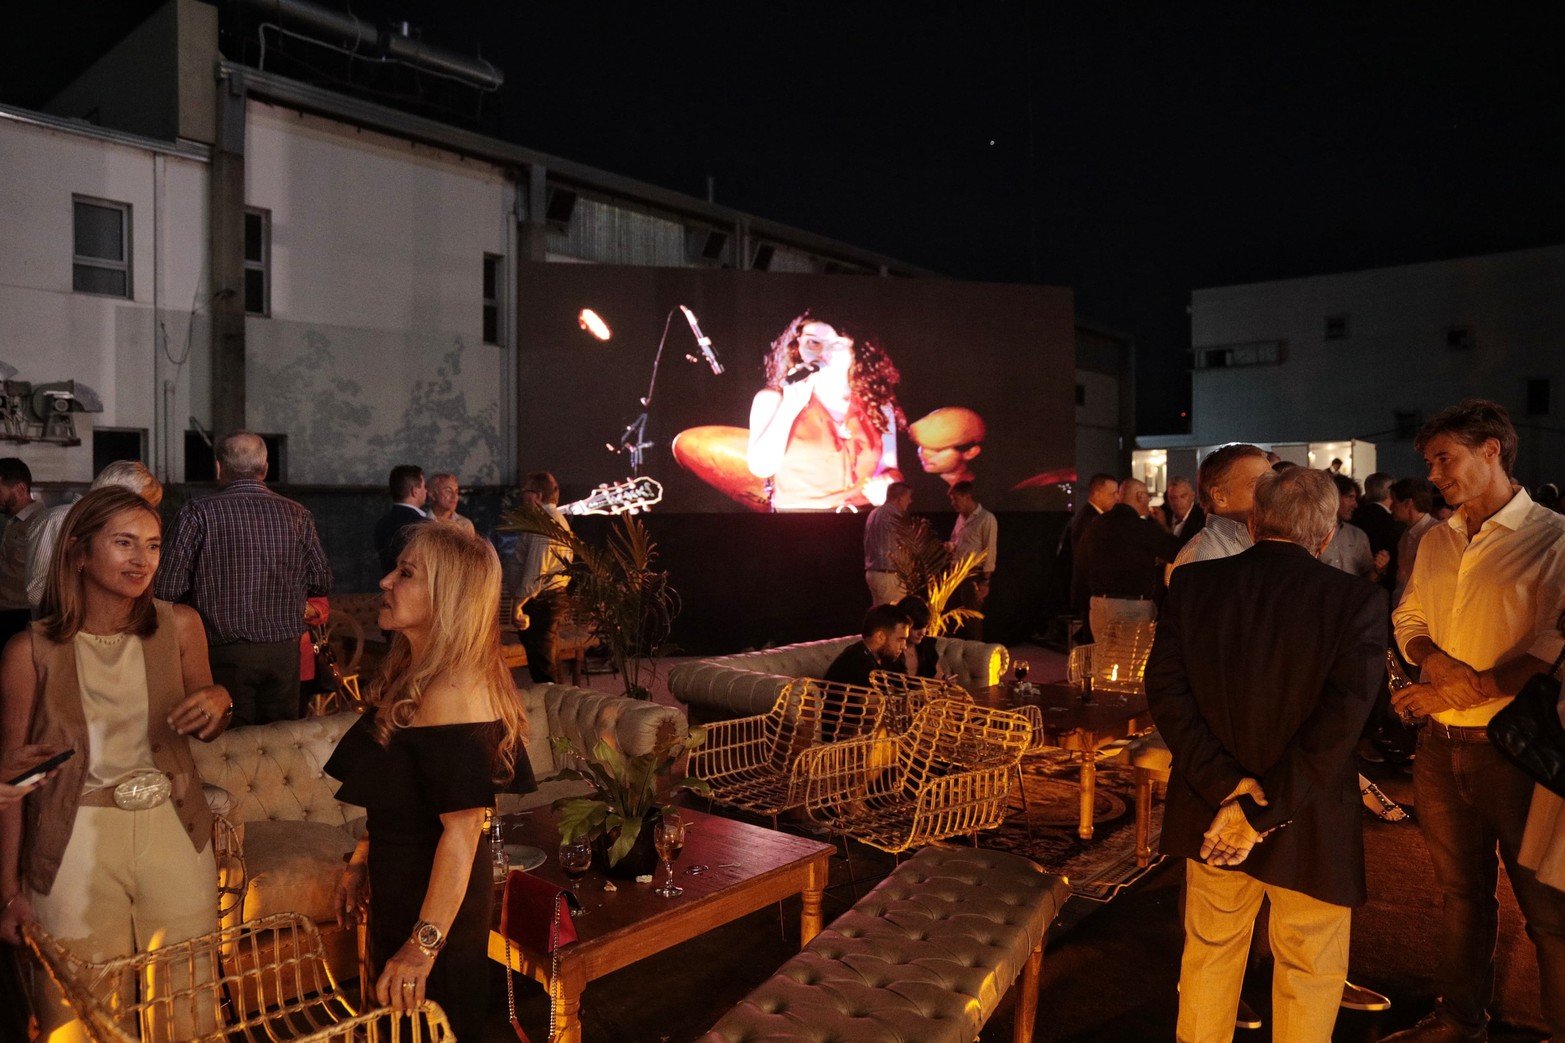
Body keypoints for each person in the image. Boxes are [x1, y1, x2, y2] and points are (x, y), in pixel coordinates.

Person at [1147, 467, 1386, 1043]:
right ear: (1327, 533)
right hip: (1307, 814)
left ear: (1254, 522)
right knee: (1310, 964)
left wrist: (1230, 791)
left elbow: (1167, 695)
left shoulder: (1196, 586)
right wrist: (1262, 807)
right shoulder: (1356, 600)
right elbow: (1343, 725)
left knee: (1210, 953)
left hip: (1213, 810)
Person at [1, 487, 235, 1039]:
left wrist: (220, 701)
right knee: (81, 1008)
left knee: (187, 1004)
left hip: (174, 831)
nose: (142, 559)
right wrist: (7, 890)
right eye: (124, 543)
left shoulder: (179, 625)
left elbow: (209, 708)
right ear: (79, 552)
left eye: (153, 546)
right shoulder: (28, 651)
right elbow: (11, 780)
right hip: (74, 841)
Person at [1386, 399, 1565, 1043]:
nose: (1434, 473)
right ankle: (1459, 1019)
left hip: (1517, 753)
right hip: (1440, 750)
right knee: (1461, 896)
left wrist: (1456, 694)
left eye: (1445, 458)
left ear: (1491, 451)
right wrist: (1431, 657)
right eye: (1431, 461)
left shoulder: (1553, 539)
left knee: (1548, 911)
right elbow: (1408, 618)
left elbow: (1552, 653)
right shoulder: (1437, 537)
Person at [326, 523, 532, 1041]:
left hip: (436, 905)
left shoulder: (455, 691)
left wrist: (423, 945)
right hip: (401, 887)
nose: (385, 580)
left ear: (448, 596)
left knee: (433, 1027)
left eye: (407, 573)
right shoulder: (415, 676)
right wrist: (362, 859)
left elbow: (463, 835)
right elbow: (398, 789)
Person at [156, 433, 332, 728]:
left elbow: (167, 588)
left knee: (230, 749)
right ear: (264, 468)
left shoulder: (198, 513)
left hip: (223, 652)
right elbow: (322, 581)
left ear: (218, 468)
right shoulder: (297, 514)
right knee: (280, 747)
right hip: (284, 653)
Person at [745, 311, 905, 511]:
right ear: (798, 346)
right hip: (800, 523)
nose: (823, 352)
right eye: (813, 342)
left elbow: (891, 470)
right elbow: (761, 467)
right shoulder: (772, 400)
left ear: (855, 349)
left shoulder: (879, 406)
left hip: (865, 521)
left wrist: (888, 483)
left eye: (836, 344)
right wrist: (790, 407)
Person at [26, 461, 163, 611]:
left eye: (153, 546)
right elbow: (36, 592)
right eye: (135, 504)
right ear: (110, 493)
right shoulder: (59, 519)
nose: (143, 515)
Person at [1072, 478, 1181, 642]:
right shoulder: (1142, 528)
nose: (1149, 500)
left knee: (1104, 661)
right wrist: (1163, 526)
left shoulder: (1096, 524)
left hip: (1099, 605)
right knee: (1130, 663)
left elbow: (1081, 563)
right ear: (1139, 496)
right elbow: (1176, 552)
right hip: (1133, 607)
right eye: (1147, 495)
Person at [1167, 444, 1272, 583]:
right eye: (1256, 485)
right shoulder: (1204, 556)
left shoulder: (1260, 541)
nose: (1271, 492)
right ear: (1219, 496)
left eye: (1271, 483)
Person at [507, 471, 573, 685]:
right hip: (546, 599)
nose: (521, 497)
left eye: (524, 492)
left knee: (543, 667)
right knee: (545, 661)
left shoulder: (544, 524)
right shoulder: (552, 520)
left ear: (536, 495)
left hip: (542, 601)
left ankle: (551, 712)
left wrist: (518, 604)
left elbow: (536, 571)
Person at [947, 481, 997, 642]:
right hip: (955, 574)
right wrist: (951, 546)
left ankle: (976, 655)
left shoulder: (986, 518)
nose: (952, 504)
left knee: (972, 619)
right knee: (957, 618)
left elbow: (990, 550)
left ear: (967, 497)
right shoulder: (961, 518)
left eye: (955, 499)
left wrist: (985, 581)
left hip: (973, 574)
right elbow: (957, 541)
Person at [0, 458, 41, 643]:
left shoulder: (40, 522)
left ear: (21, 489)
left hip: (22, 614)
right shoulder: (12, 521)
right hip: (7, 611)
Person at [824, 603, 911, 690]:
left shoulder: (889, 657)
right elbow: (872, 701)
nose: (904, 647)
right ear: (880, 636)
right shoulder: (854, 662)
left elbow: (906, 688)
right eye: (900, 639)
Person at [1319, 473, 1384, 582]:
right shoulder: (1310, 534)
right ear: (1333, 497)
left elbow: (1368, 579)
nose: (1355, 505)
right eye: (1350, 497)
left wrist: (1378, 569)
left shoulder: (1358, 536)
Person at [1352, 472, 1405, 592]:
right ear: (1390, 492)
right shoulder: (1393, 522)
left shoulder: (1354, 516)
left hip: (1354, 585)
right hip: (1383, 587)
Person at [1389, 477, 1439, 605]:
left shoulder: (1436, 534)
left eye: (1394, 501)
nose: (1390, 507)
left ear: (1408, 503)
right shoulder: (1406, 535)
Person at [373, 465, 430, 574]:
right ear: (415, 491)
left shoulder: (382, 523)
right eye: (424, 487)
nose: (426, 491)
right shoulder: (423, 525)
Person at [908, 407, 986, 487]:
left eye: (937, 450)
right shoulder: (914, 484)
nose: (924, 453)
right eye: (921, 445)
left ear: (970, 453)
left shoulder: (986, 486)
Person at [863, 481, 912, 604]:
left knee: (881, 615)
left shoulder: (874, 513)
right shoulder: (894, 515)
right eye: (908, 498)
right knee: (894, 617)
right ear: (900, 499)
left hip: (875, 573)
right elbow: (903, 545)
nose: (910, 501)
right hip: (888, 576)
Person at [894, 595, 940, 678]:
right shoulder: (891, 648)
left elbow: (939, 678)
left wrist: (946, 682)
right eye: (917, 627)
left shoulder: (927, 645)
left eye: (925, 626)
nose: (922, 633)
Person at [1162, 476, 1205, 547]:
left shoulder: (1202, 518)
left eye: (1183, 496)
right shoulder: (1163, 513)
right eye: (1173, 497)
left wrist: (1164, 527)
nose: (1177, 501)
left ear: (1192, 496)